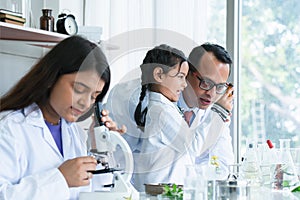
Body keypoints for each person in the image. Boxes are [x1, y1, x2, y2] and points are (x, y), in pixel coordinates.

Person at [0, 35, 124, 200]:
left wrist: (100, 148)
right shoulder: (10, 128)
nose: (85, 103)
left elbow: (94, 193)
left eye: (94, 96)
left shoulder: (73, 132)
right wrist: (61, 179)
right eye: (79, 89)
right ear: (52, 77)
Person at [105, 43, 235, 190]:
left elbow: (224, 165)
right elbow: (116, 159)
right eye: (206, 83)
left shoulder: (215, 109)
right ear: (188, 73)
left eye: (219, 87)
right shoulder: (131, 99)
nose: (211, 94)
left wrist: (193, 182)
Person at [130, 44, 195, 191]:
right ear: (159, 75)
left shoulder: (159, 108)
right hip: (162, 193)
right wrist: (219, 111)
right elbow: (195, 147)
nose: (184, 84)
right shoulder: (162, 113)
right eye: (180, 77)